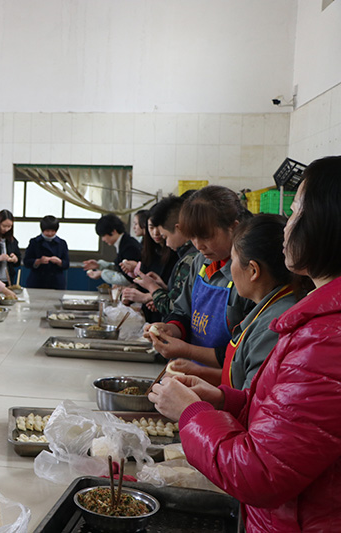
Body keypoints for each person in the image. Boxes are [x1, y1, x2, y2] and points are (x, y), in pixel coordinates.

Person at [148, 155, 341, 532]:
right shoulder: (315, 320)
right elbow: (287, 421)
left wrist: (192, 413)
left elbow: (262, 473)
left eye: (295, 211)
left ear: (327, 223)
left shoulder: (327, 340)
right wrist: (226, 400)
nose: (287, 227)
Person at [169, 215, 302, 389]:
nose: (228, 269)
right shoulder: (266, 309)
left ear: (253, 270)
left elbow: (252, 397)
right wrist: (199, 372)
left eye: (232, 259)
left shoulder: (273, 326)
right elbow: (244, 378)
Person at [144, 186, 255, 368]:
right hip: (190, 371)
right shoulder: (200, 262)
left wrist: (187, 351)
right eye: (192, 237)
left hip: (224, 378)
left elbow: (243, 352)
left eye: (206, 236)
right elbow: (183, 312)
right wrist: (170, 329)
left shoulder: (248, 274)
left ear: (234, 228)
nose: (198, 246)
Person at [133, 195, 198, 317]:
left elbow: (174, 307)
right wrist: (164, 287)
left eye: (165, 236)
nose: (167, 243)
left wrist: (151, 286)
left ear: (178, 228)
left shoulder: (190, 257)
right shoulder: (187, 254)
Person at [82, 214, 142, 285]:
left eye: (103, 235)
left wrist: (102, 274)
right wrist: (98, 265)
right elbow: (119, 267)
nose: (103, 239)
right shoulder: (124, 242)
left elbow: (127, 279)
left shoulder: (129, 247)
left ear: (113, 231)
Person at [23, 215, 70, 290]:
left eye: (53, 231)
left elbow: (66, 263)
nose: (50, 233)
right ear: (42, 230)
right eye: (47, 231)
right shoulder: (34, 242)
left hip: (56, 282)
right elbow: (26, 261)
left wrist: (59, 262)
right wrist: (39, 261)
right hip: (37, 281)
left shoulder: (62, 243)